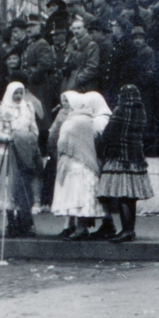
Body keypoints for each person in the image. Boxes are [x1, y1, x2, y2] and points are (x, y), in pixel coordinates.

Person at [50, 91, 111, 240]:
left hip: (80, 163)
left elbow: (64, 140)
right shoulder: (78, 119)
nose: (65, 105)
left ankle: (81, 228)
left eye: (68, 102)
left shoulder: (79, 120)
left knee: (80, 198)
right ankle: (77, 227)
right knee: (77, 198)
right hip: (76, 163)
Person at [96, 84, 152, 243]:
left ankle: (127, 230)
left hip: (119, 157)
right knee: (130, 197)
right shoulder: (141, 111)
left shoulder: (120, 111)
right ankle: (130, 229)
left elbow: (108, 133)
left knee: (123, 194)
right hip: (135, 158)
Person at [0, 82, 42, 238]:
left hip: (23, 152)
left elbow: (34, 130)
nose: (18, 96)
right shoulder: (1, 109)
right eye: (15, 93)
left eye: (21, 93)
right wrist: (10, 137)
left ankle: (25, 222)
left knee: (23, 186)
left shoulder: (28, 108)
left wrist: (27, 141)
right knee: (8, 187)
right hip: (7, 151)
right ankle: (11, 222)